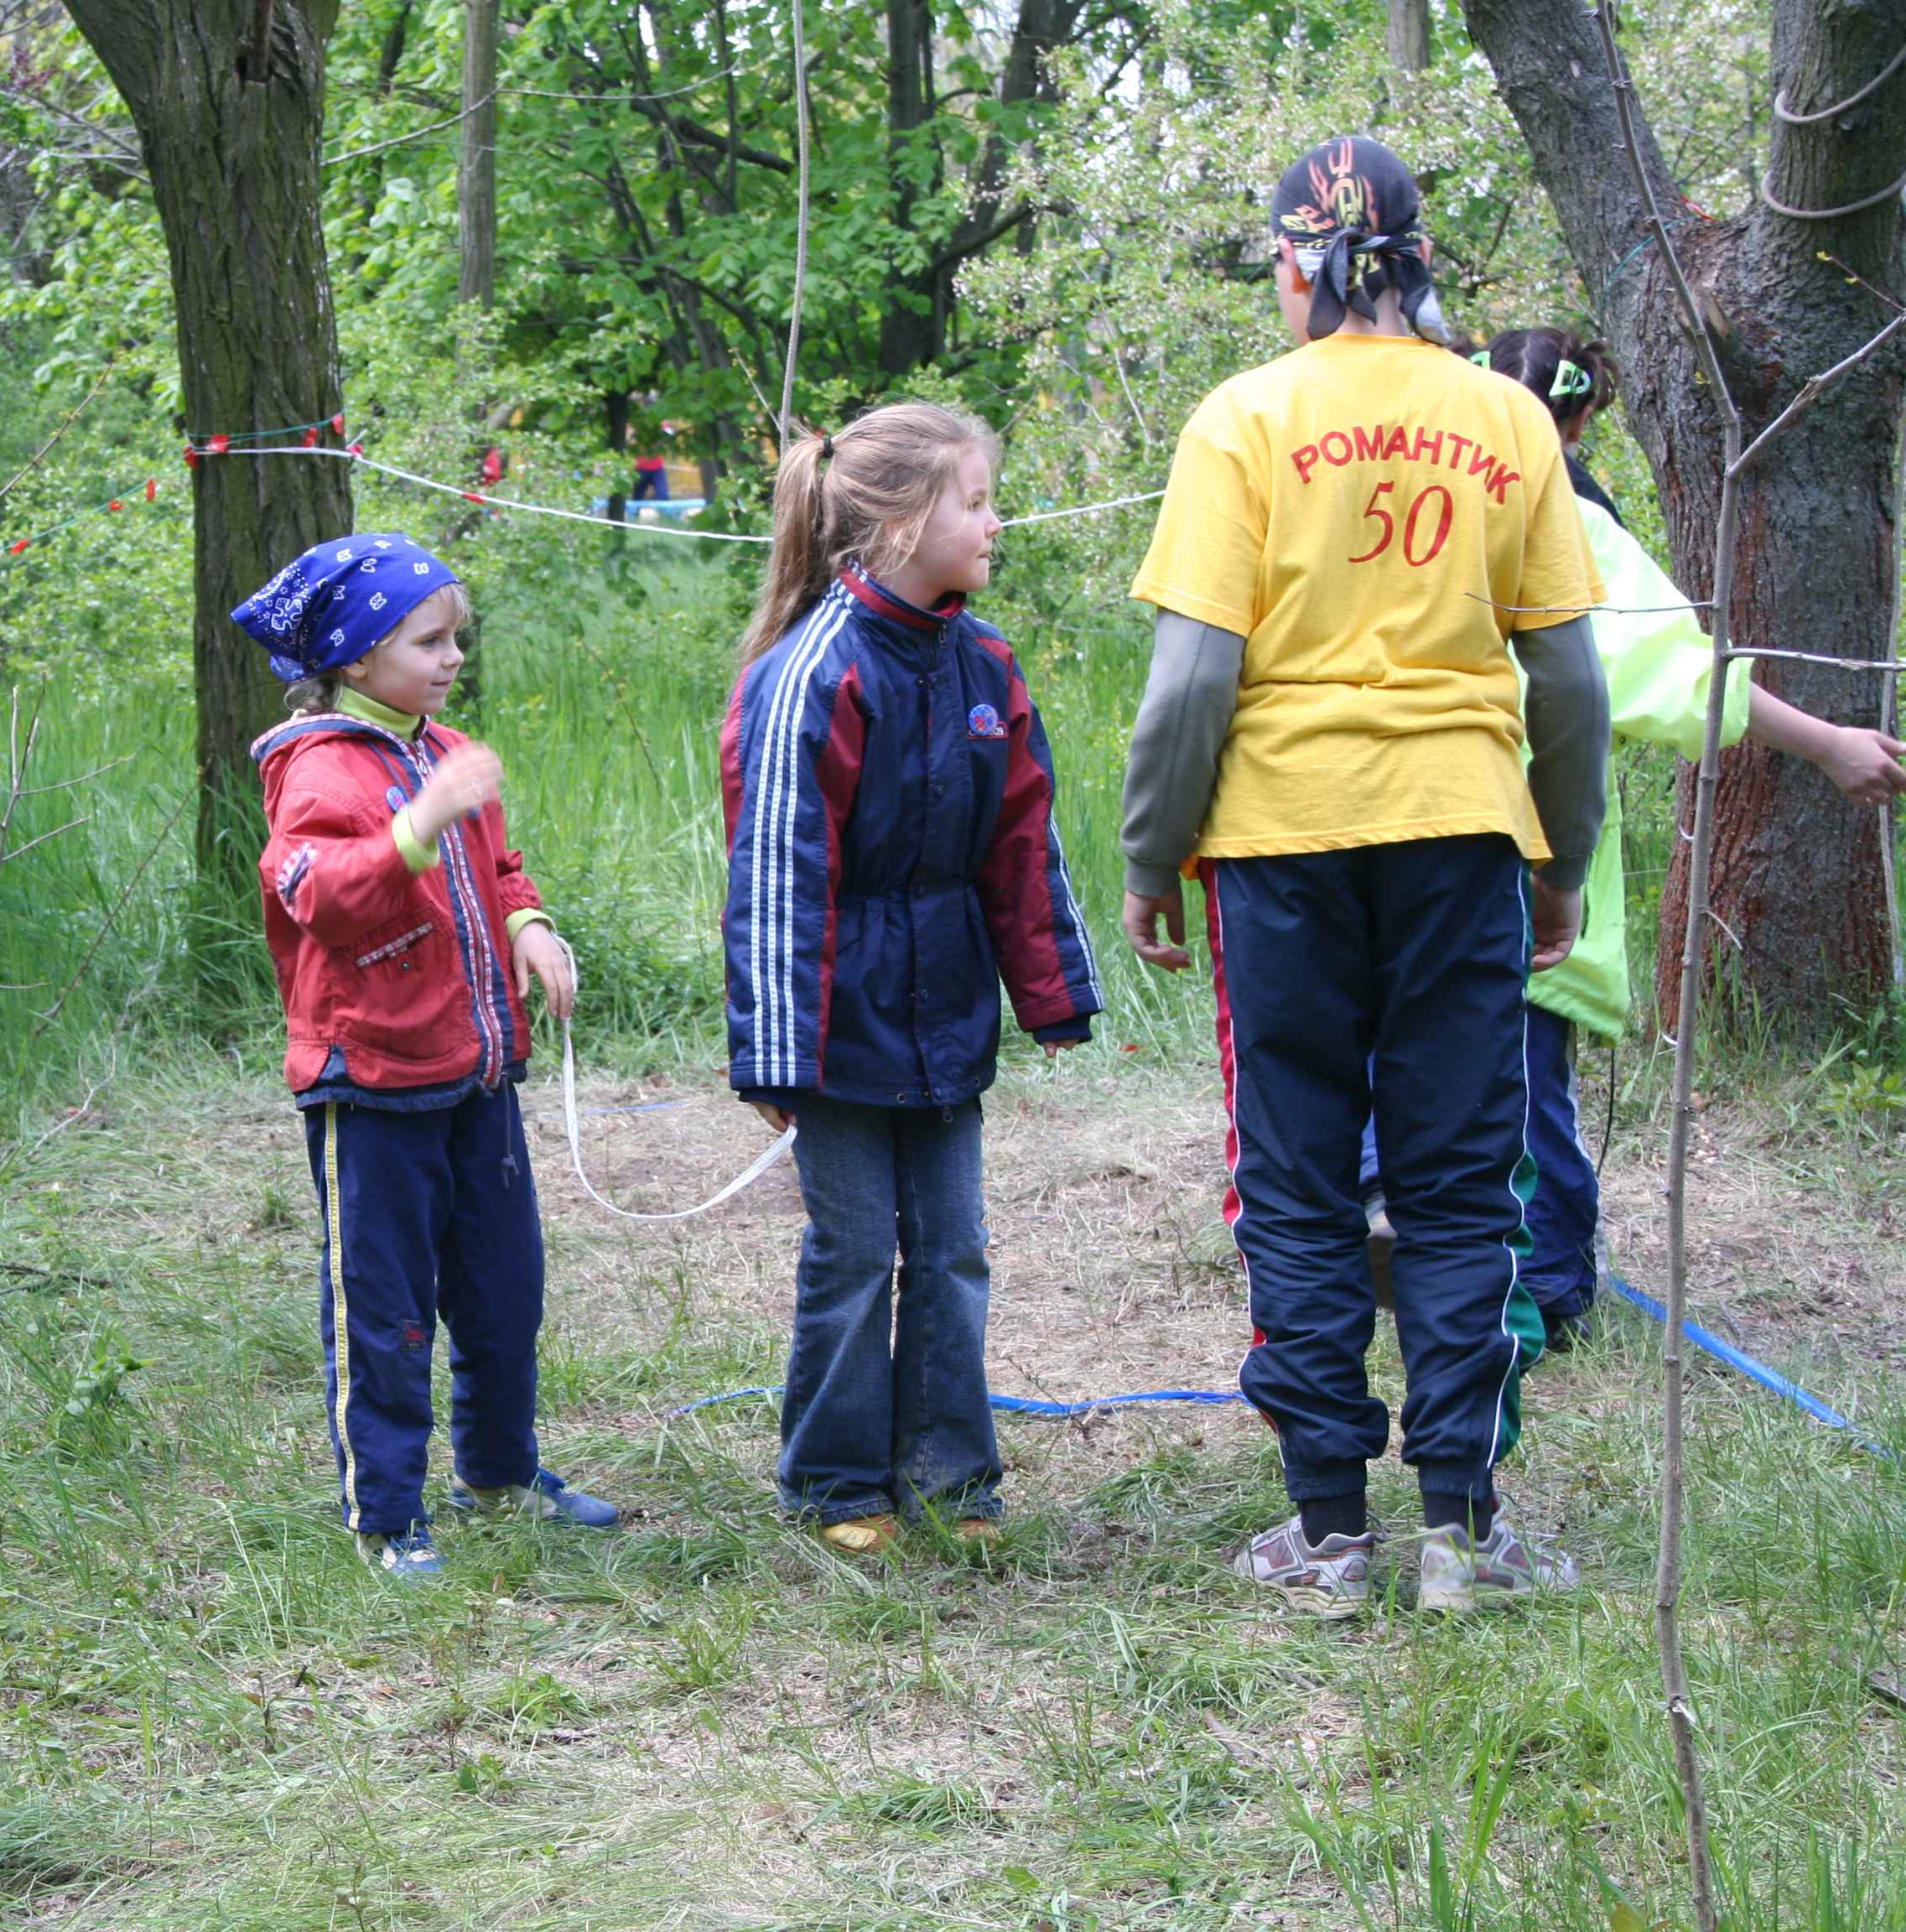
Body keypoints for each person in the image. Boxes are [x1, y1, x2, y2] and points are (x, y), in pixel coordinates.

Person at [1118, 136, 1613, 1617]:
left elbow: (1191, 681)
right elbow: (1568, 682)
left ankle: (1329, 1531)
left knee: (1296, 1173)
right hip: (1461, 834)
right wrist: (1561, 857)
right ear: (1421, 261)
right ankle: (1463, 1528)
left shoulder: (1241, 421)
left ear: (1294, 266)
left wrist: (1153, 852)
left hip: (1280, 846)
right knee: (1462, 1178)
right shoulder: (1507, 419)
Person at [1361, 328, 1906, 1348]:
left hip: (1404, 847)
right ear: (1575, 425)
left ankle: (1469, 1260)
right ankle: (1530, 1282)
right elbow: (1681, 675)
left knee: (1423, 1065)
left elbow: (1669, 672)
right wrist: (1831, 743)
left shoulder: (1406, 502)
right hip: (1500, 856)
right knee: (1512, 1087)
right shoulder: (1545, 518)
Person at [721, 401, 1104, 1558]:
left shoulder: (985, 663)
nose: (995, 524)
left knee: (952, 1248)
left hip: (947, 1015)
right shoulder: (814, 673)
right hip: (837, 1029)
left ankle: (950, 1475)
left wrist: (1051, 990)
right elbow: (777, 874)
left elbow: (1023, 841)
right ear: (897, 527)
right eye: (974, 504)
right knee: (852, 1254)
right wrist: (776, 1053)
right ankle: (834, 1481)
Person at [237, 534, 619, 1585]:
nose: (453, 658)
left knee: (504, 1290)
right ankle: (388, 1516)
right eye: (429, 641)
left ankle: (497, 1472)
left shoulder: (442, 750)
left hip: (475, 1073)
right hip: (372, 1088)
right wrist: (420, 822)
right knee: (387, 1310)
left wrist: (529, 925)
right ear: (358, 657)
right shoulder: (315, 768)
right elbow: (321, 898)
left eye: (457, 638)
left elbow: (497, 865)